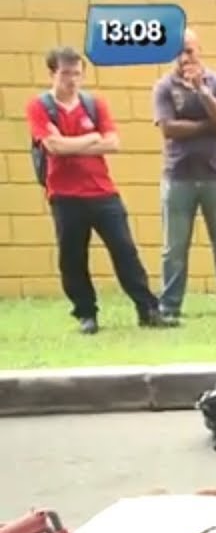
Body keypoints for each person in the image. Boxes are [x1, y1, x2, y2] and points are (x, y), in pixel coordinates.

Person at [28, 47, 176, 335]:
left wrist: (75, 143)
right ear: (52, 74)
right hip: (64, 195)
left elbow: (113, 143)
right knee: (72, 257)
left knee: (125, 251)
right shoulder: (40, 107)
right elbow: (53, 147)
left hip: (102, 191)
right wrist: (91, 138)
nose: (72, 80)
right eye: (65, 74)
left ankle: (147, 309)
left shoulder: (95, 104)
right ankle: (86, 314)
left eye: (77, 74)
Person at [152, 28, 216, 317]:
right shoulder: (164, 87)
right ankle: (170, 304)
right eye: (178, 51)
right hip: (178, 176)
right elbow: (168, 129)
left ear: (199, 50)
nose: (184, 57)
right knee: (174, 246)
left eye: (189, 50)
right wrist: (206, 127)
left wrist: (203, 92)